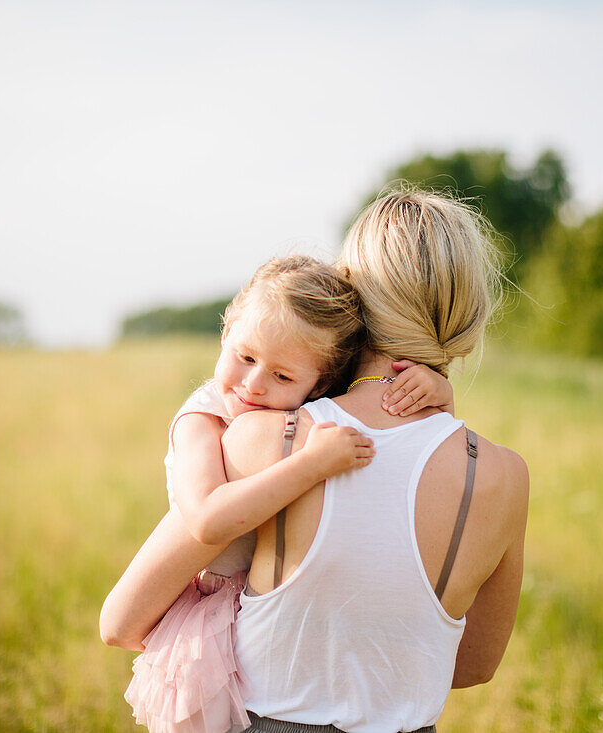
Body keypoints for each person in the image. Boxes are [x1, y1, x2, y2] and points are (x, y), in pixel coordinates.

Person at [100, 255, 453, 733]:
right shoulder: (201, 420)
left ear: (321, 385)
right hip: (212, 619)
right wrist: (309, 465)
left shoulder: (303, 413)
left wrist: (439, 392)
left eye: (283, 377)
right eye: (245, 356)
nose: (252, 385)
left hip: (268, 613)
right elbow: (206, 518)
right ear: (227, 329)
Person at [221, 190, 529, 732]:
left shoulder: (269, 438)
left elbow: (128, 621)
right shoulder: (502, 476)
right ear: (467, 315)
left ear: (353, 299)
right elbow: (476, 664)